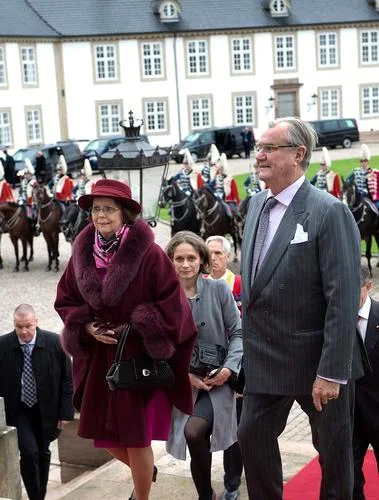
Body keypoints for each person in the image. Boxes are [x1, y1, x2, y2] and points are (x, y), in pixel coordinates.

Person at [238, 117, 364, 499]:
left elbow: (342, 299)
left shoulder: (328, 211)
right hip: (266, 359)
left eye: (268, 148)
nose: (259, 155)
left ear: (298, 154)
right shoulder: (256, 204)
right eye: (258, 148)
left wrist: (330, 372)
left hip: (317, 363)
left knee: (333, 454)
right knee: (251, 437)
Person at [54, 179, 197, 500]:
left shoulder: (150, 254)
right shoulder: (82, 250)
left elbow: (174, 304)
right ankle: (144, 470)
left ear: (125, 214)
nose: (100, 215)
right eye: (95, 209)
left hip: (134, 359)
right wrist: (86, 328)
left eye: (108, 209)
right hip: (98, 362)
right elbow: (65, 299)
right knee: (100, 435)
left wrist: (135, 327)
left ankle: (141, 494)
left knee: (135, 438)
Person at [166, 231, 243, 500]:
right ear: (171, 261)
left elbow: (238, 333)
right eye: (179, 258)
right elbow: (159, 347)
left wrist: (228, 369)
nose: (185, 264)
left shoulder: (219, 289)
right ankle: (205, 494)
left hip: (219, 380)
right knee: (193, 434)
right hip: (185, 383)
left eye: (191, 258)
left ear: (201, 260)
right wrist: (184, 375)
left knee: (195, 430)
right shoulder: (163, 299)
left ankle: (209, 493)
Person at [0, 304, 74, 500]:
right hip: (18, 411)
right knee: (29, 452)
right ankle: (35, 497)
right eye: (19, 327)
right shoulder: (3, 345)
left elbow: (68, 379)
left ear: (36, 323)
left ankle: (39, 496)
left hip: (47, 410)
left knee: (42, 451)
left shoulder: (55, 342)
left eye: (28, 326)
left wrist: (66, 413)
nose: (23, 331)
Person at [205, 235, 243, 500]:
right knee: (199, 431)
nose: (214, 258)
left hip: (235, 370)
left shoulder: (240, 285)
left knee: (234, 432)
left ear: (228, 257)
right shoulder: (197, 285)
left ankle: (232, 484)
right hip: (204, 371)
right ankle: (204, 485)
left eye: (218, 253)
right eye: (209, 253)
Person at [353, 264, 379, 499]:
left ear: (368, 287)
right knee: (350, 480)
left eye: (354, 288)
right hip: (349, 418)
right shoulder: (335, 320)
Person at [347, 144, 379, 210]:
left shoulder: (373, 172)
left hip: (369, 197)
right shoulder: (356, 171)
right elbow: (348, 181)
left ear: (368, 161)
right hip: (357, 196)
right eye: (361, 161)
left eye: (365, 161)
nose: (363, 163)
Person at [209, 154, 240, 218]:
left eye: (221, 169)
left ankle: (235, 224)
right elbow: (210, 186)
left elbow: (233, 191)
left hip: (226, 199)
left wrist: (222, 194)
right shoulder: (216, 178)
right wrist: (214, 192)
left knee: (232, 212)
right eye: (219, 169)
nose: (220, 170)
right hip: (216, 197)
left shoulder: (228, 179)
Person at [17, 159, 39, 236]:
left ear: (31, 174)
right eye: (25, 174)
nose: (26, 175)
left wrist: (33, 201)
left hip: (33, 202)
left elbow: (36, 193)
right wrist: (20, 198)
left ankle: (35, 228)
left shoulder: (34, 182)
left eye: (27, 174)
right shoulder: (23, 182)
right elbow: (21, 191)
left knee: (33, 215)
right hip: (24, 202)